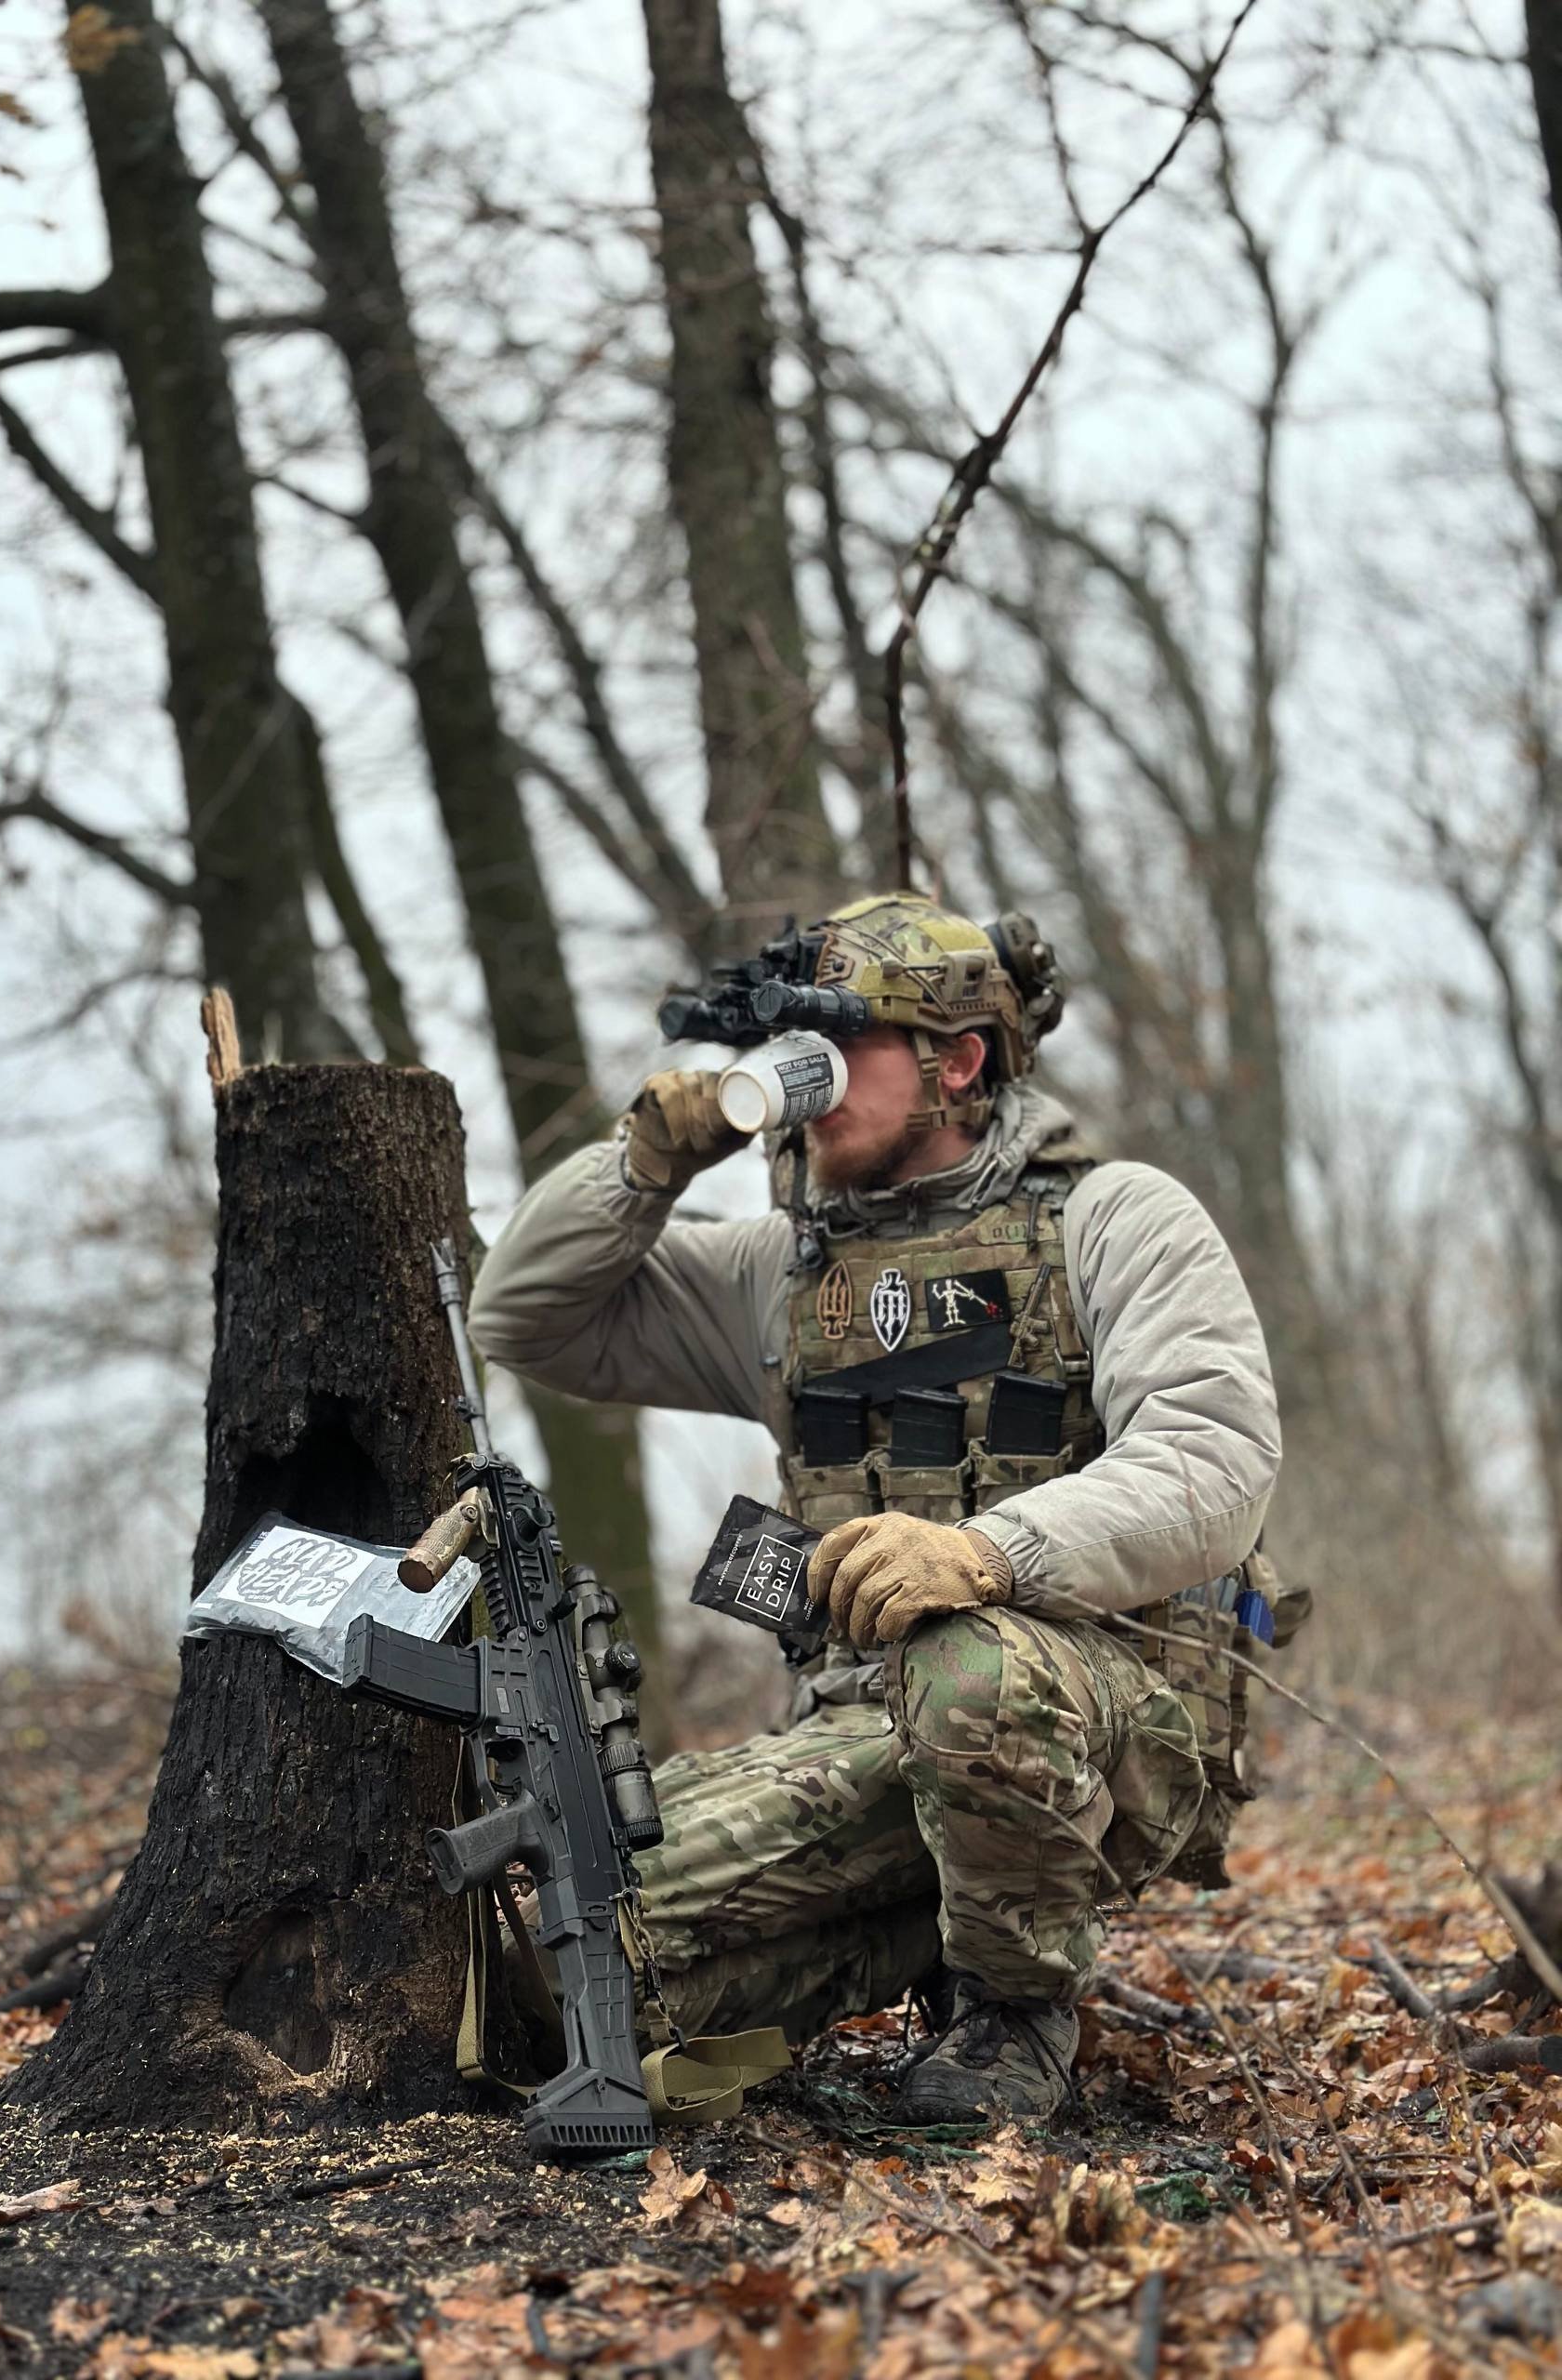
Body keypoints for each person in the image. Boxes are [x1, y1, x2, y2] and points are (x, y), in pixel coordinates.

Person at [467, 892, 1286, 2121]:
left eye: (847, 1049)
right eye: (797, 1049)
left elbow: (1214, 1461)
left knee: (973, 1672)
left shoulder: (1110, 1220)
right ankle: (910, 1943)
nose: (810, 1079)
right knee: (565, 1934)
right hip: (860, 1732)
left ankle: (1015, 2015)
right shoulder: (780, 1274)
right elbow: (524, 1318)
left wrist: (986, 1552)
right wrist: (639, 1170)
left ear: (959, 1062)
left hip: (1102, 1723)